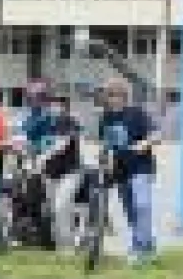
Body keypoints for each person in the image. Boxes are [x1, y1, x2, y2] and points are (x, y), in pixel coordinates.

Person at [97, 78, 161, 264]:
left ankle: (139, 249)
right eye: (110, 95)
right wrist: (104, 158)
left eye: (116, 95)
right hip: (120, 170)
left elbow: (157, 135)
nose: (113, 99)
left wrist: (144, 143)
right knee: (131, 211)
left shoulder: (137, 113)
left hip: (141, 167)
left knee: (142, 205)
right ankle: (146, 245)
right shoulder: (105, 117)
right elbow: (105, 144)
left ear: (124, 96)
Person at [40, 93, 83, 251]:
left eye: (59, 104)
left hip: (70, 173)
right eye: (52, 104)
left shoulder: (70, 121)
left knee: (61, 206)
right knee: (54, 210)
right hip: (50, 174)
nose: (55, 107)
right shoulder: (44, 122)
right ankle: (59, 246)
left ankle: (68, 247)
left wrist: (43, 157)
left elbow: (63, 144)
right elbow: (27, 137)